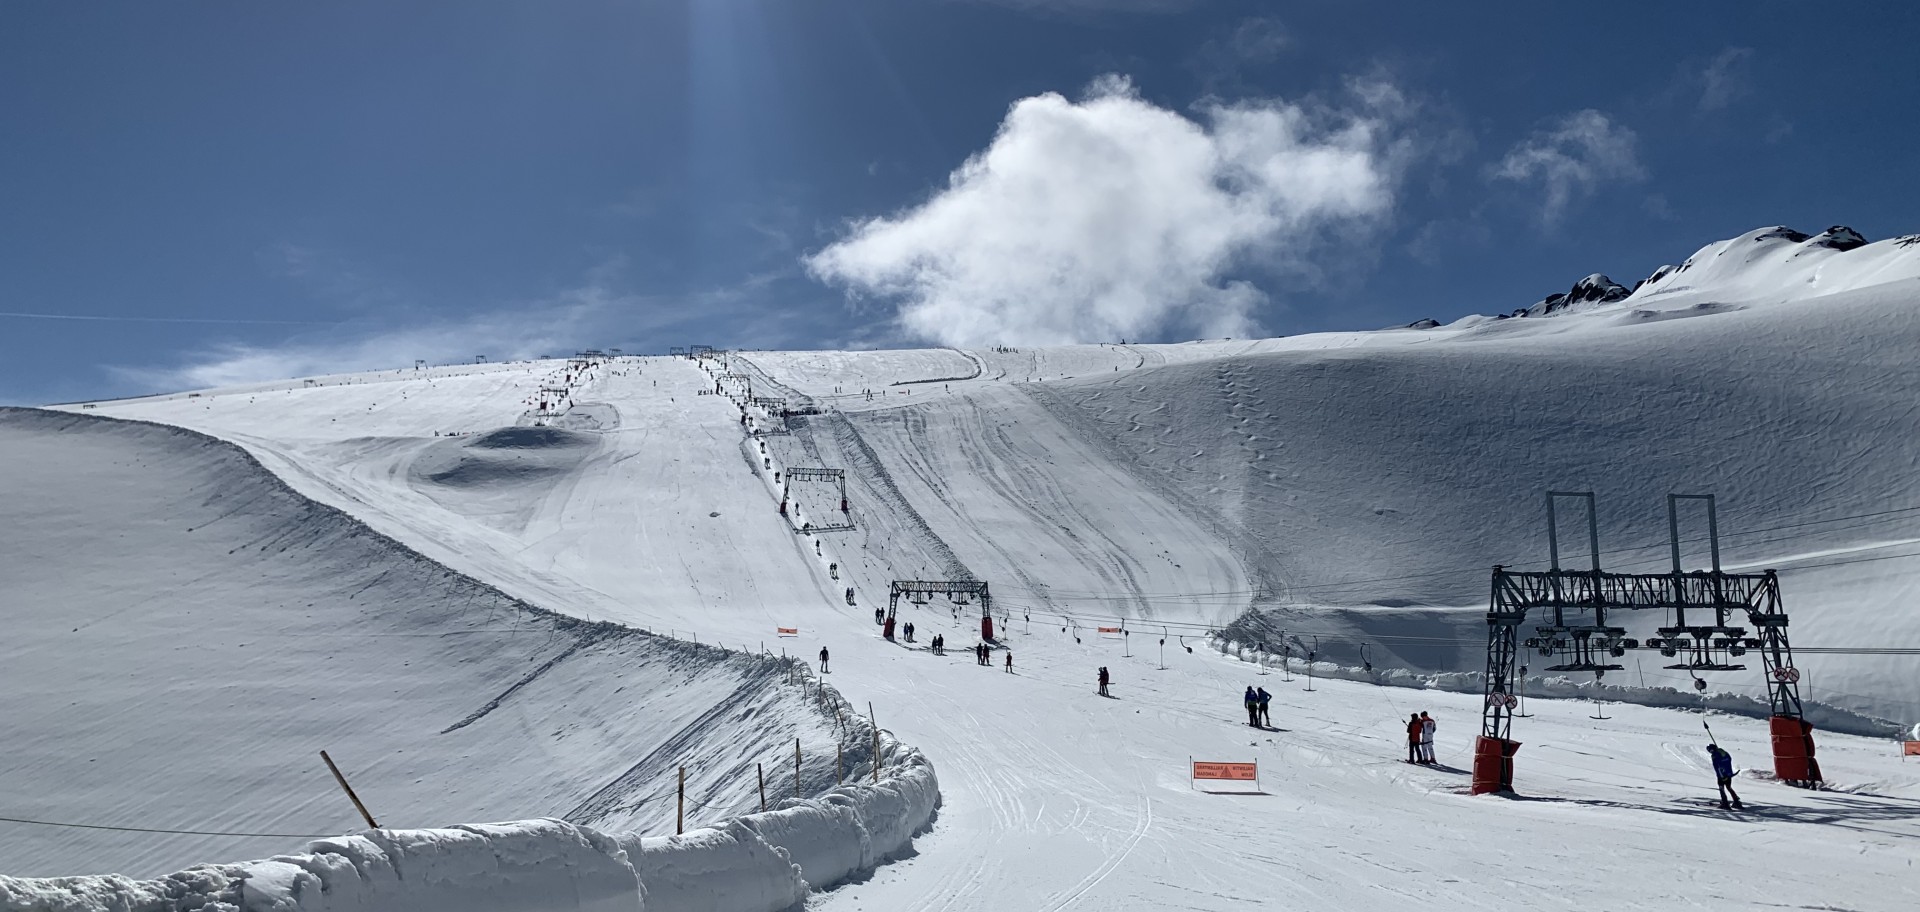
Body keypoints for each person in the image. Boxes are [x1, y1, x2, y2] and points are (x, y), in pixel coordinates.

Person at [1706, 744, 1743, 809]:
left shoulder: (1715, 756)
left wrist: (1721, 776)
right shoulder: (1724, 753)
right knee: (1729, 787)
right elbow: (1729, 760)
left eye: (1710, 750)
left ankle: (1725, 803)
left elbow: (1717, 767)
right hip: (1729, 773)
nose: (1710, 752)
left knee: (1721, 788)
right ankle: (1736, 802)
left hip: (1722, 775)